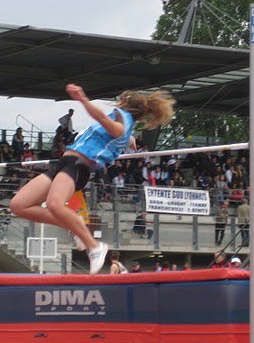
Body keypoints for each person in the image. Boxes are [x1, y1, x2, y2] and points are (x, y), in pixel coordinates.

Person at [10, 83, 175, 274]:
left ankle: (94, 246)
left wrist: (82, 98)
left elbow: (103, 118)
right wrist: (128, 137)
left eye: (119, 101)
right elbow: (109, 130)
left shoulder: (121, 125)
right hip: (63, 163)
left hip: (78, 167)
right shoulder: (122, 126)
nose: (115, 103)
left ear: (125, 104)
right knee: (19, 205)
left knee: (54, 204)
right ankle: (73, 223)